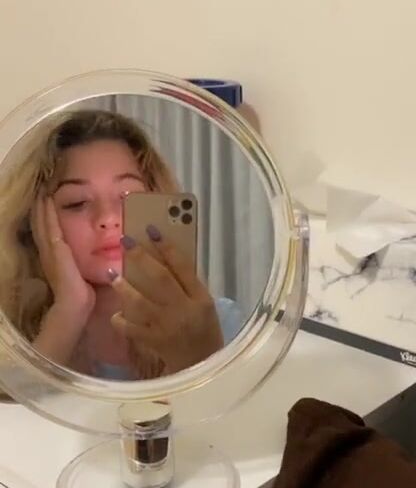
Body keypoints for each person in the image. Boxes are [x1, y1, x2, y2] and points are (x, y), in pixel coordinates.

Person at [0, 109, 242, 380]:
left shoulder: (219, 323)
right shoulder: (10, 339)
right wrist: (68, 311)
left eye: (128, 196)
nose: (108, 219)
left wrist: (193, 358)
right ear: (35, 221)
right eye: (77, 202)